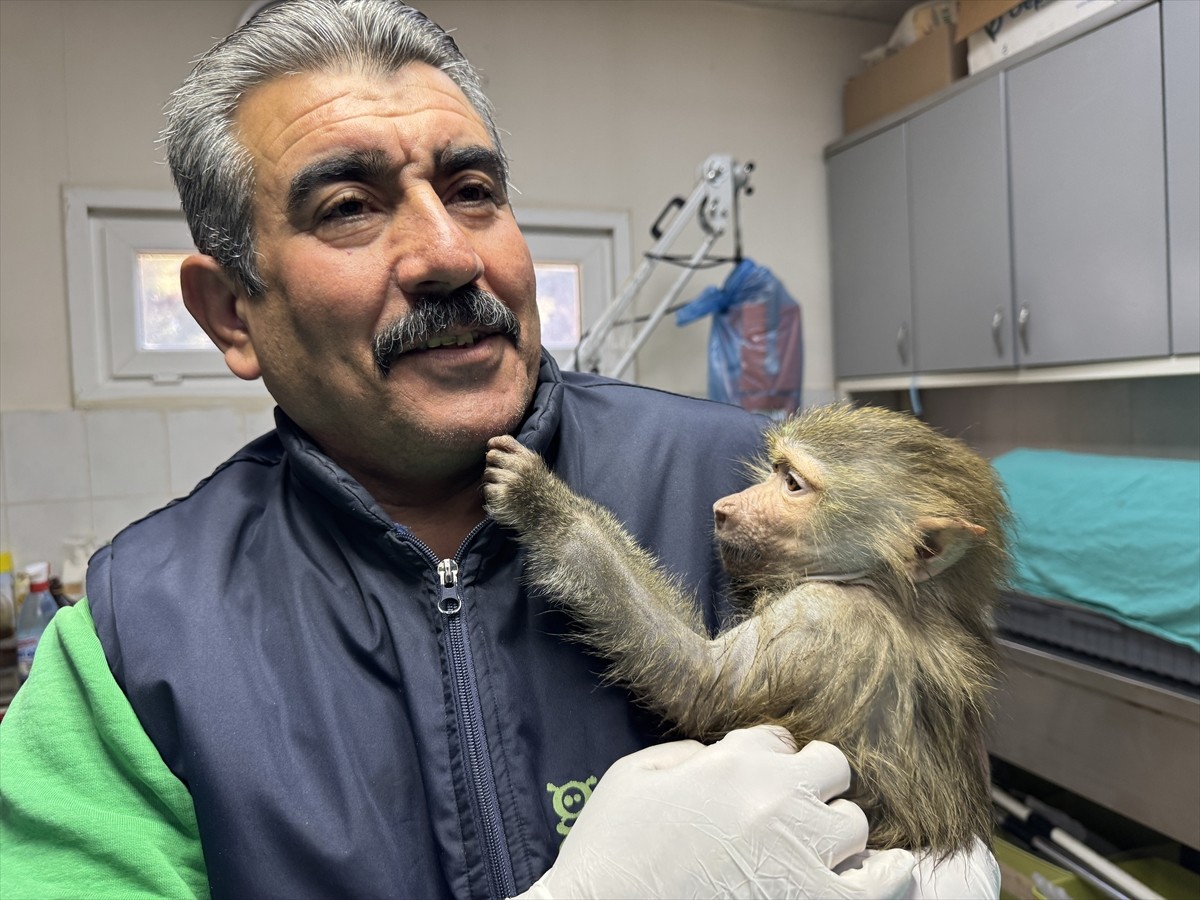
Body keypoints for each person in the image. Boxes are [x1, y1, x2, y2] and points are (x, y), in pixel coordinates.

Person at [0, 1, 998, 897]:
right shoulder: (136, 639)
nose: (448, 252)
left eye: (471, 187)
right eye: (348, 206)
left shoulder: (744, 492)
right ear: (230, 314)